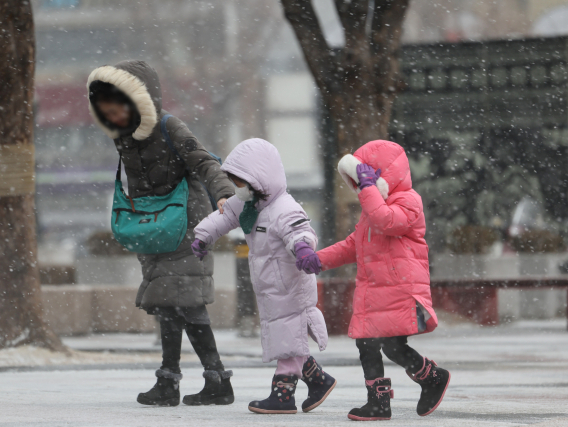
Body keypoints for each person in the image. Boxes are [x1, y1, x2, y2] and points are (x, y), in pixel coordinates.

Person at [87, 60, 235, 407]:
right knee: (166, 304)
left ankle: (209, 381)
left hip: (186, 224)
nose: (114, 117)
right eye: (106, 112)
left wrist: (224, 194)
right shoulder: (124, 137)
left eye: (118, 108)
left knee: (188, 302)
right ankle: (175, 381)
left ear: (139, 101)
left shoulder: (169, 126)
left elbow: (206, 163)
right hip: (153, 228)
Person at [297, 140, 451, 421]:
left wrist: (369, 190)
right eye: (357, 182)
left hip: (399, 288)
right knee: (366, 343)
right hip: (373, 291)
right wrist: (318, 260)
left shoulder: (408, 200)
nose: (360, 188)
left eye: (363, 180)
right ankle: (378, 401)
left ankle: (431, 376)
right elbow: (353, 245)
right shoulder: (371, 209)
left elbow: (388, 222)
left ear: (383, 176)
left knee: (392, 345)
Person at [192, 138, 336, 414]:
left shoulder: (285, 208)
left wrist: (304, 249)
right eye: (235, 183)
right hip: (270, 286)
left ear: (258, 180)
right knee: (286, 336)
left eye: (241, 183)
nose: (238, 189)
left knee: (286, 339)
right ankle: (319, 380)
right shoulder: (249, 206)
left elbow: (300, 231)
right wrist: (203, 237)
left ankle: (282, 396)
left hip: (291, 285)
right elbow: (222, 217)